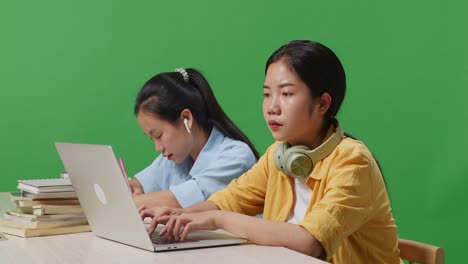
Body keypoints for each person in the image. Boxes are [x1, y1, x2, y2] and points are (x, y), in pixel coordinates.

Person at [139, 41, 400, 263]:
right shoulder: (279, 155)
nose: (272, 107)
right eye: (267, 94)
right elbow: (228, 200)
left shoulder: (353, 161)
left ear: (322, 102)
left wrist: (217, 219)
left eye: (286, 94)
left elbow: (309, 241)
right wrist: (182, 215)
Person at [130, 68, 259, 209]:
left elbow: (181, 199)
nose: (158, 148)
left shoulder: (236, 156)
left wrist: (128, 202)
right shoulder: (174, 158)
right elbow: (140, 183)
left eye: (158, 136)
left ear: (186, 118)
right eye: (151, 139)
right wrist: (132, 188)